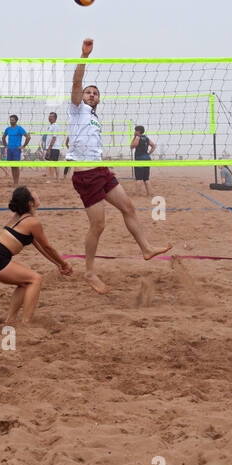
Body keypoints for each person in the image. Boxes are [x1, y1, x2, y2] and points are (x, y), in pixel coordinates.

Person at [67, 38, 171, 294]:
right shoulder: (77, 109)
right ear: (82, 97)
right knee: (98, 226)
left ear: (99, 100)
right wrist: (84, 56)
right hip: (85, 174)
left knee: (128, 207)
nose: (91, 94)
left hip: (100, 169)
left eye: (95, 93)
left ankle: (146, 248)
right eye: (88, 92)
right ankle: (90, 272)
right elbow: (77, 82)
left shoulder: (94, 117)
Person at [0, 186, 72, 325]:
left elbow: (40, 247)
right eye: (34, 195)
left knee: (24, 283)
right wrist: (64, 264)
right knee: (35, 279)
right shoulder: (32, 222)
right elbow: (48, 247)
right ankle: (26, 322)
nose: (37, 195)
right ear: (30, 203)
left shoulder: (19, 217)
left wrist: (58, 264)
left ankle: (11, 319)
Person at [1, 115, 30, 184]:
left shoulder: (19, 128)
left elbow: (28, 137)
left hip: (16, 150)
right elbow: (3, 137)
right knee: (12, 166)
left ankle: (16, 183)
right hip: (10, 149)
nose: (11, 121)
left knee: (16, 167)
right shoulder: (8, 129)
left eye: (12, 120)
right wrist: (6, 145)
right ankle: (14, 182)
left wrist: (23, 146)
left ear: (16, 121)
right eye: (10, 120)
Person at [130, 125, 156, 195]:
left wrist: (134, 137)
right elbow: (153, 146)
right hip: (147, 159)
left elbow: (132, 146)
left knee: (138, 179)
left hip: (139, 159)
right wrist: (148, 154)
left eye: (135, 131)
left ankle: (137, 195)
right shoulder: (146, 138)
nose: (134, 132)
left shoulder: (137, 138)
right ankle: (150, 194)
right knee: (146, 179)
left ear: (138, 131)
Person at [41, 111, 62, 181]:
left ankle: (51, 179)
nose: (49, 118)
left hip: (53, 148)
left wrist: (49, 148)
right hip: (53, 148)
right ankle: (58, 179)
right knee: (55, 164)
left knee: (51, 164)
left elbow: (54, 138)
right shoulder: (51, 126)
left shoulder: (55, 126)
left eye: (51, 117)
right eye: (49, 116)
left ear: (55, 118)